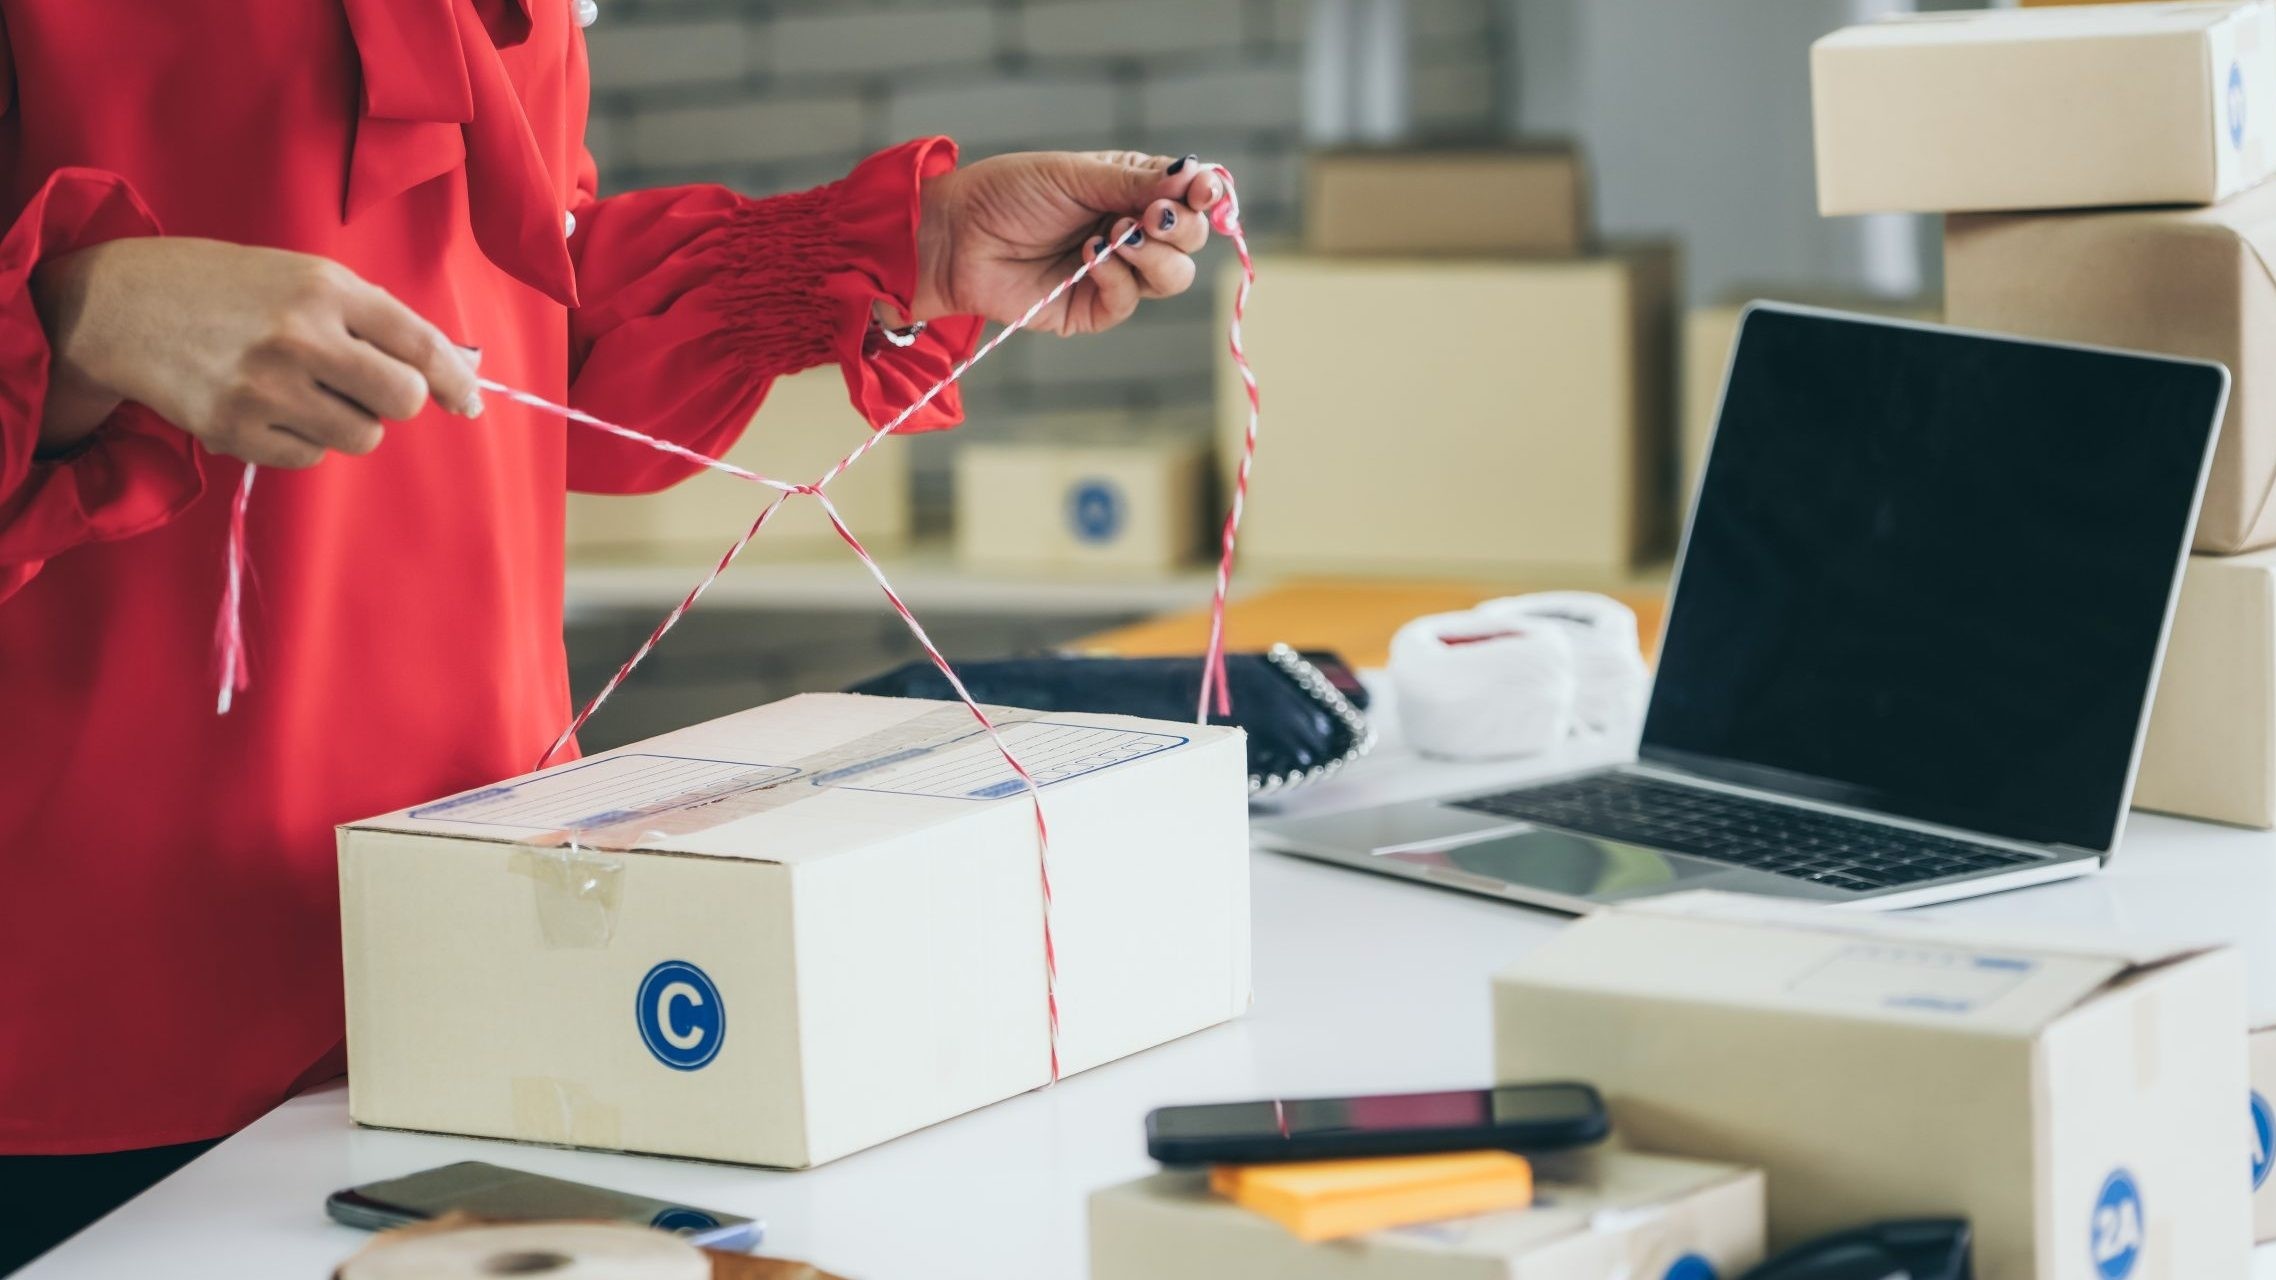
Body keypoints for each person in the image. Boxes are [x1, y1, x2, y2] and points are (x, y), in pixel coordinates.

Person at [0, 2, 1224, 1270]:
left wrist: (910, 246)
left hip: (493, 919)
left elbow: (523, 339)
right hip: (99, 994)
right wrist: (83, 314)